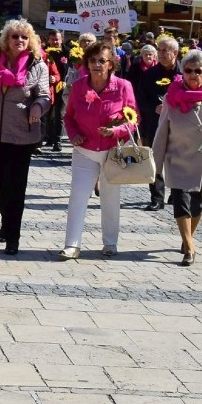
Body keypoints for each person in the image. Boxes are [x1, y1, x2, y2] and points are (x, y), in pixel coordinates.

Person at [0, 19, 50, 255]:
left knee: (16, 186)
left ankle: (12, 237)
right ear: (6, 39)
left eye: (24, 37)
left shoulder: (37, 65)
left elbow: (45, 94)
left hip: (23, 134)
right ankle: (7, 222)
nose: (19, 40)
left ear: (30, 41)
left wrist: (38, 106)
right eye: (15, 36)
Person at [60, 42, 137, 259]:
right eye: (92, 60)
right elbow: (69, 116)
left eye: (101, 60)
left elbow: (133, 119)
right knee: (78, 196)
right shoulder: (79, 86)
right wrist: (73, 134)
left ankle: (110, 243)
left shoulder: (123, 86)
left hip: (113, 152)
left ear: (111, 64)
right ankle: (72, 245)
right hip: (85, 150)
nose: (96, 64)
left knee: (111, 198)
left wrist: (115, 131)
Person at [152, 50, 202, 267]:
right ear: (182, 72)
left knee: (198, 205)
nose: (193, 74)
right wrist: (155, 164)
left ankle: (188, 239)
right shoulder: (171, 97)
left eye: (198, 71)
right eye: (188, 70)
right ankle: (189, 247)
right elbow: (161, 131)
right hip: (177, 157)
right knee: (181, 201)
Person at [137, 36, 180, 211]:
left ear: (175, 53)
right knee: (155, 160)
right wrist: (153, 107)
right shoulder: (150, 74)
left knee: (177, 160)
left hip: (180, 124)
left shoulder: (185, 73)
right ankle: (157, 197)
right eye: (159, 50)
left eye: (164, 50)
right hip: (155, 123)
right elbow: (140, 98)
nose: (160, 54)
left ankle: (176, 194)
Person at [43, 30, 67, 152]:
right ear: (49, 40)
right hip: (49, 87)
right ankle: (49, 137)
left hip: (63, 86)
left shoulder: (67, 52)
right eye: (52, 39)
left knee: (59, 115)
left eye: (57, 39)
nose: (55, 42)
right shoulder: (45, 52)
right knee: (48, 113)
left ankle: (58, 140)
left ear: (61, 39)